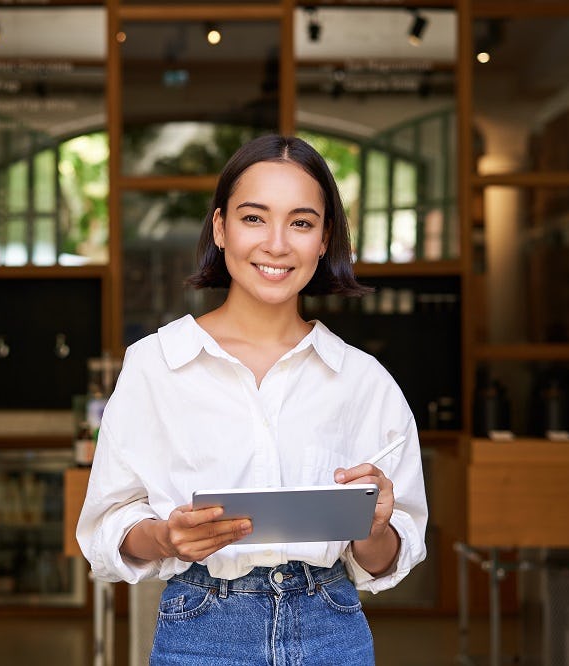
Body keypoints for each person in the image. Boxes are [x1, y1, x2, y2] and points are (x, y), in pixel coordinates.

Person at [76, 134, 428, 665]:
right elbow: (107, 531)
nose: (278, 244)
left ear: (324, 237)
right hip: (201, 631)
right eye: (254, 218)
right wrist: (168, 538)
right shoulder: (155, 365)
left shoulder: (363, 380)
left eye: (302, 222)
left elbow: (388, 559)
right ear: (220, 227)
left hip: (331, 631)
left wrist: (375, 528)